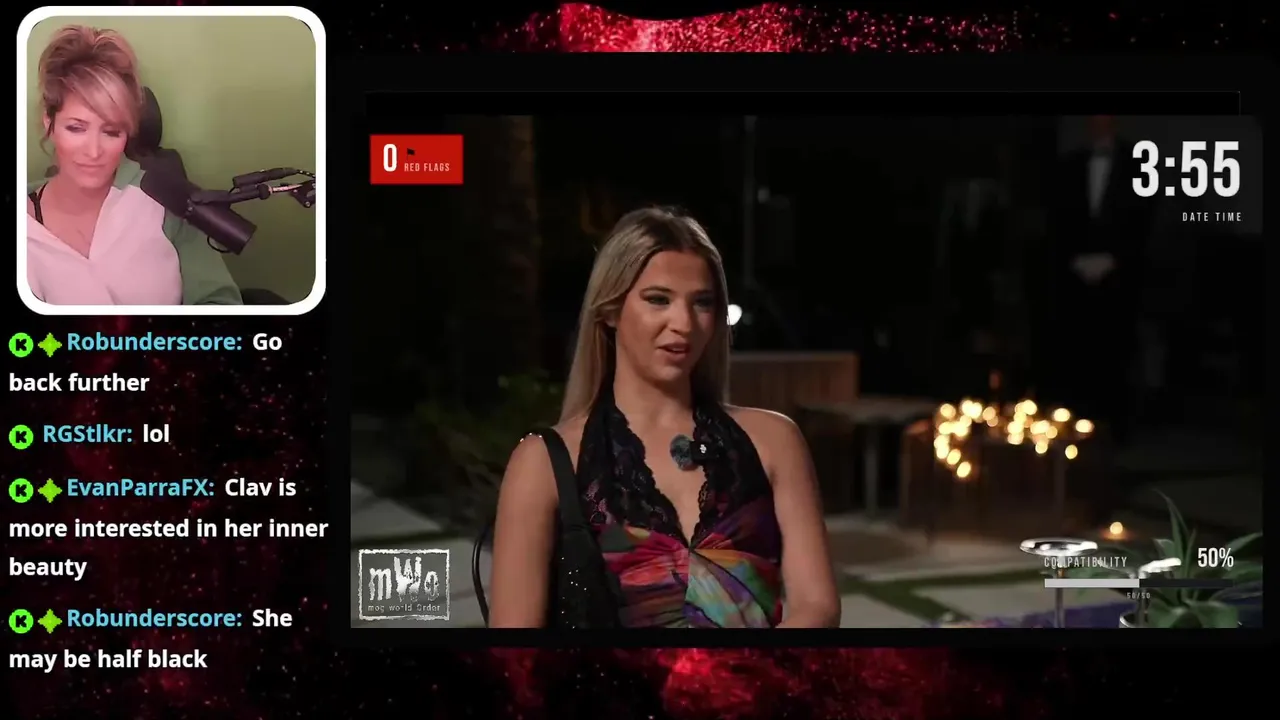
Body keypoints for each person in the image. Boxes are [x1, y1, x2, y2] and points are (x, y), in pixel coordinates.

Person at [488, 207, 840, 629]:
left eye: (702, 303)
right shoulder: (543, 462)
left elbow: (817, 606)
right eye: (659, 299)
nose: (684, 323)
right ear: (610, 310)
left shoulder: (774, 441)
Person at [26, 25, 241, 306]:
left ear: (128, 132)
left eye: (111, 132)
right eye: (76, 128)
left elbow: (221, 304)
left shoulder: (167, 200)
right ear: (49, 122)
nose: (93, 151)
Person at [1039, 116, 1154, 443]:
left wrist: (1115, 259)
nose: (1099, 122)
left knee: (1115, 352)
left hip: (1119, 279)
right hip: (1075, 278)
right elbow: (1058, 219)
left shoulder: (1139, 163)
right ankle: (1076, 428)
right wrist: (1074, 260)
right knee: (1077, 350)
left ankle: (1114, 432)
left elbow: (1145, 219)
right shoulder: (1070, 165)